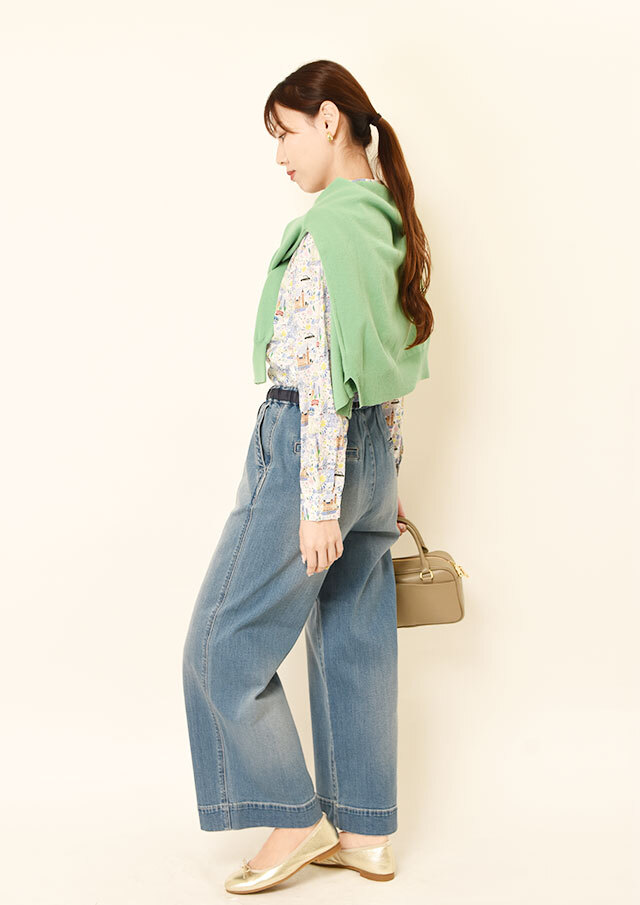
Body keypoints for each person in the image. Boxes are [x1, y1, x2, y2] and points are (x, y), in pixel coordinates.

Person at [182, 59, 434, 895]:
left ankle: (295, 817)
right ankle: (365, 833)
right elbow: (386, 362)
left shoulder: (327, 232)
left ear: (329, 120)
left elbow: (320, 376)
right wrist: (382, 480)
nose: (280, 155)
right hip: (372, 458)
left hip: (309, 451)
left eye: (286, 133)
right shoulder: (387, 222)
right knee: (356, 640)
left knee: (220, 643)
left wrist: (320, 499)